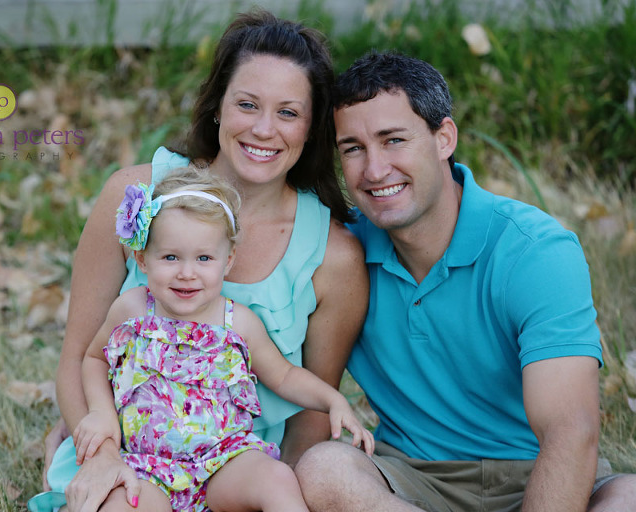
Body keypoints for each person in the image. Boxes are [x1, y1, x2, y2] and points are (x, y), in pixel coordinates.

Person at [39, 8, 369, 512]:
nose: (264, 129)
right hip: (130, 460)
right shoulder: (136, 196)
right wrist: (101, 455)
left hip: (234, 468)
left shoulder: (333, 255)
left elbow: (309, 417)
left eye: (288, 113)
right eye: (247, 104)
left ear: (310, 128)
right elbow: (79, 358)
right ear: (217, 106)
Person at [295, 51, 636, 512]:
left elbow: (570, 432)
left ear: (444, 138)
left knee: (628, 497)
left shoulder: (533, 251)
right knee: (324, 470)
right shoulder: (340, 252)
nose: (374, 170)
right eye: (353, 148)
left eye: (394, 140)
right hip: (411, 478)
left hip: (536, 473)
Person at [71, 168, 374, 511]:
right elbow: (95, 359)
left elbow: (285, 376)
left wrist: (333, 401)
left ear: (227, 261)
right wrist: (101, 413)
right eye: (170, 257)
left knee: (276, 479)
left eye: (204, 258)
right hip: (145, 467)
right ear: (142, 259)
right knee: (121, 505)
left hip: (224, 462)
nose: (187, 273)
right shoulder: (132, 310)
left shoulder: (237, 322)